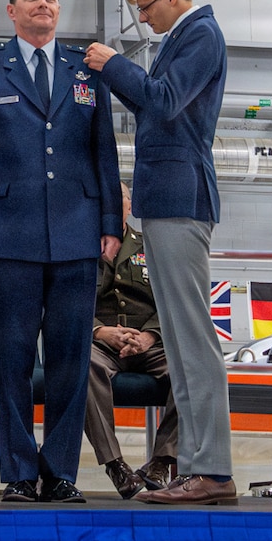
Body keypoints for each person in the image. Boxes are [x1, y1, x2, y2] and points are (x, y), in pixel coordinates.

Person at [0, 0, 121, 503]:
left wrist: (111, 223)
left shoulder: (85, 68)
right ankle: (21, 472)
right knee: (14, 358)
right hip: (6, 232)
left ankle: (61, 472)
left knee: (71, 360)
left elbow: (105, 152)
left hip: (78, 231)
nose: (43, 5)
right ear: (12, 11)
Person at [85, 0, 235, 505]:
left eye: (146, 7)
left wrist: (114, 66)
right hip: (167, 197)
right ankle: (198, 466)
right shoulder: (181, 38)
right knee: (180, 338)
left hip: (181, 197)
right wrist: (118, 75)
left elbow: (165, 102)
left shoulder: (201, 34)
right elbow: (154, 105)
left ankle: (213, 469)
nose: (143, 18)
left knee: (193, 342)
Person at [86, 182, 180, 499]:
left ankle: (160, 462)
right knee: (81, 367)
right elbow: (66, 301)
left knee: (194, 372)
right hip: (100, 341)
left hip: (148, 340)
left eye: (120, 200)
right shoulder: (78, 243)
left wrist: (150, 336)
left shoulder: (150, 246)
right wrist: (100, 331)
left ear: (129, 206)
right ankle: (116, 465)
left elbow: (170, 298)